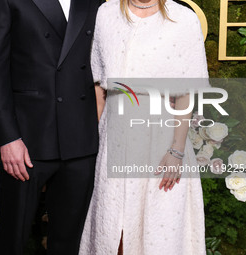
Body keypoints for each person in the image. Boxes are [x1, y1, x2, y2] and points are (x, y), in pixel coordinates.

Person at [79, 0, 209, 254]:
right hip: (113, 137)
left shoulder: (183, 19)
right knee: (112, 229)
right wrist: (95, 141)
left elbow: (186, 93)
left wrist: (176, 151)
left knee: (158, 231)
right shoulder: (105, 14)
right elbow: (98, 84)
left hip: (160, 139)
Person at [0, 0, 103, 254]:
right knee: (13, 239)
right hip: (27, 140)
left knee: (69, 243)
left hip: (80, 138)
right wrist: (7, 138)